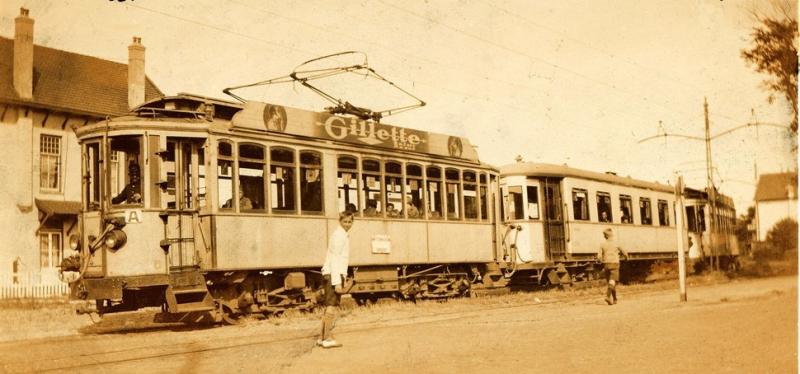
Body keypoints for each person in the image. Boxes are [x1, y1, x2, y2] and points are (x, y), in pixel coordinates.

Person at [318, 211, 354, 349]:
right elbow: (335, 258)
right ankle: (327, 338)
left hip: (333, 273)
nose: (347, 224)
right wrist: (337, 281)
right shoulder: (339, 236)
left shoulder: (341, 235)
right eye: (345, 221)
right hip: (334, 273)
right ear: (340, 221)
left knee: (329, 307)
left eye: (349, 222)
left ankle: (322, 338)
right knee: (331, 306)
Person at [597, 228, 629, 305]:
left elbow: (599, 257)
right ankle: (607, 296)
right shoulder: (616, 243)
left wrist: (602, 261)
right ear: (611, 235)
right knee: (613, 281)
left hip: (606, 264)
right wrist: (626, 258)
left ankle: (614, 299)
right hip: (614, 264)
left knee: (611, 282)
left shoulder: (602, 244)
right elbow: (625, 253)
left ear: (605, 236)